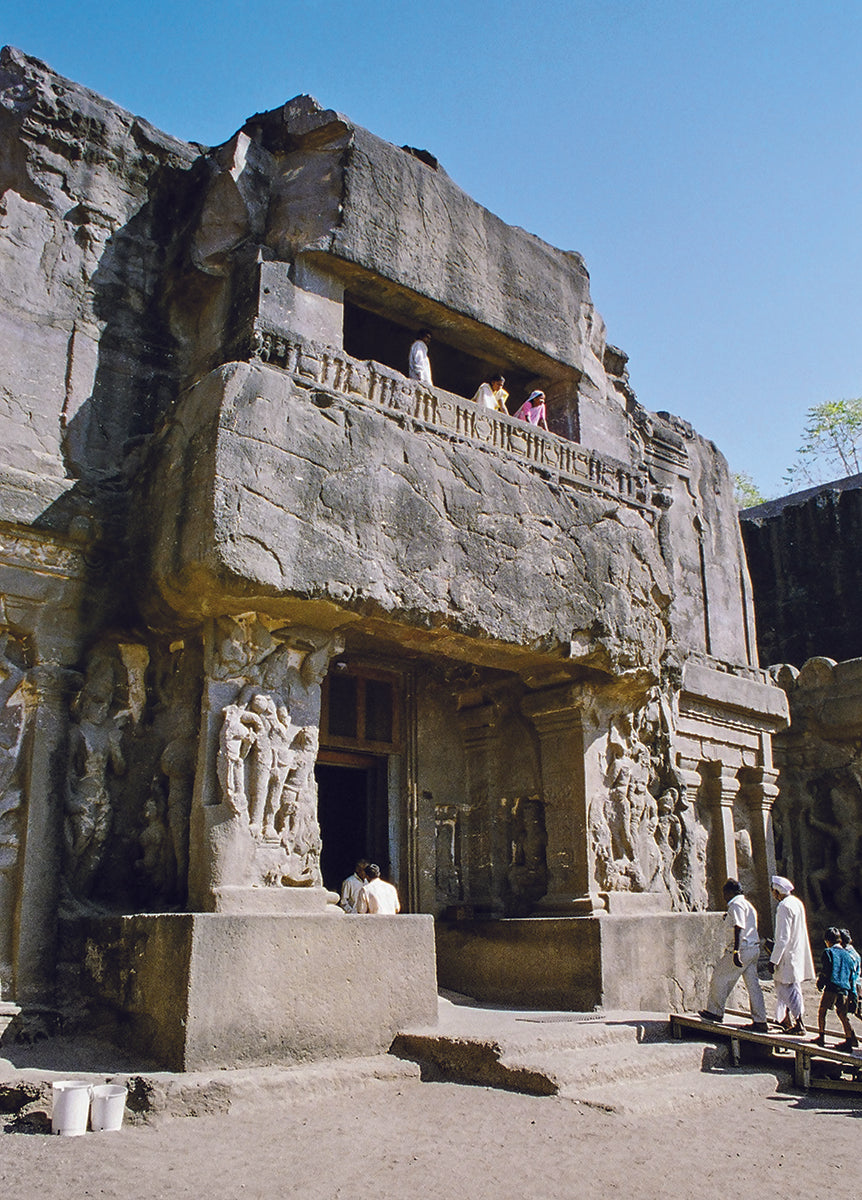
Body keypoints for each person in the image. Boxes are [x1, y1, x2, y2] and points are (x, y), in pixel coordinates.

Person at [699, 878, 768, 1031]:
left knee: (719, 977)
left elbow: (739, 927)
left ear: (730, 892)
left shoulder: (736, 905)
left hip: (741, 949)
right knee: (753, 986)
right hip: (753, 948)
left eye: (725, 893)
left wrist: (736, 951)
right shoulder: (747, 904)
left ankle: (714, 1011)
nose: (724, 896)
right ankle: (760, 1020)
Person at [768, 875, 815, 1035]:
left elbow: (782, 937)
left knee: (789, 990)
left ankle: (799, 1023)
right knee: (787, 990)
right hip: (795, 952)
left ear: (777, 891)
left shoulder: (783, 907)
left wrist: (773, 959)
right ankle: (785, 1020)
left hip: (787, 955)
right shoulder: (796, 903)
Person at [813, 926, 859, 1050]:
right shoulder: (848, 955)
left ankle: (821, 1037)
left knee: (823, 1011)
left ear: (828, 941)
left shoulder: (829, 952)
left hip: (832, 987)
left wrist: (820, 982)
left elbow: (826, 970)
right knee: (842, 1014)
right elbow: (851, 974)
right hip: (844, 988)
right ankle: (849, 1040)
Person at [839, 929, 861, 1017]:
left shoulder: (848, 955)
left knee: (844, 1013)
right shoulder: (853, 952)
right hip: (857, 985)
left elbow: (852, 976)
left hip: (853, 988)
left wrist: (853, 994)